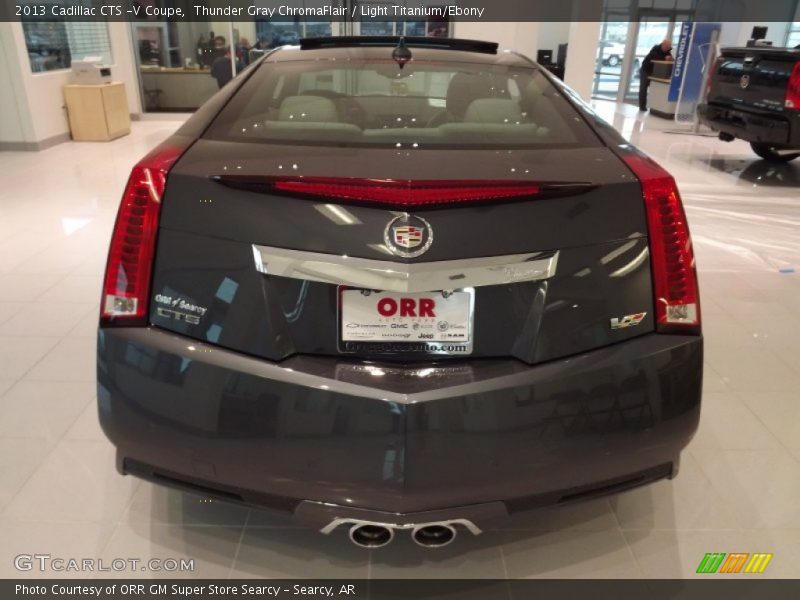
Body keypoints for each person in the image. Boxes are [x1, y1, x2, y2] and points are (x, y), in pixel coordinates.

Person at [639, 39, 673, 112]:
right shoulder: (655, 48)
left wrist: (670, 58)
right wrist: (665, 58)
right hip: (646, 70)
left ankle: (653, 106)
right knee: (643, 88)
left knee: (655, 88)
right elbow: (655, 57)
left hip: (656, 73)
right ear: (663, 44)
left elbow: (671, 58)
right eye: (666, 47)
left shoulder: (669, 51)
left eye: (669, 47)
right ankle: (642, 106)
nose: (667, 49)